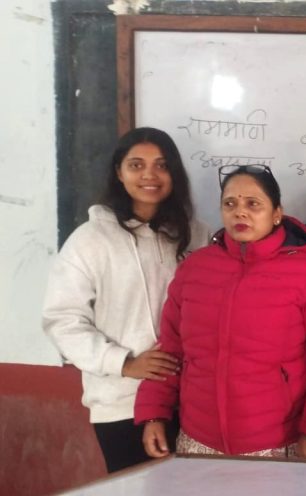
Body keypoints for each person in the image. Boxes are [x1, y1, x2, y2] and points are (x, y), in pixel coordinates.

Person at [134, 165, 306, 460]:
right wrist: (154, 413)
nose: (240, 213)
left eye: (253, 204)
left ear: (276, 214)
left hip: (279, 442)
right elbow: (171, 348)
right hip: (199, 439)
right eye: (230, 204)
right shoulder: (195, 269)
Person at [41, 127, 209, 473]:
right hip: (122, 403)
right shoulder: (90, 240)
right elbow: (62, 320)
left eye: (161, 165)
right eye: (136, 165)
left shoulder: (196, 234)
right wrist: (124, 363)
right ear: (119, 172)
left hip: (190, 399)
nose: (150, 175)